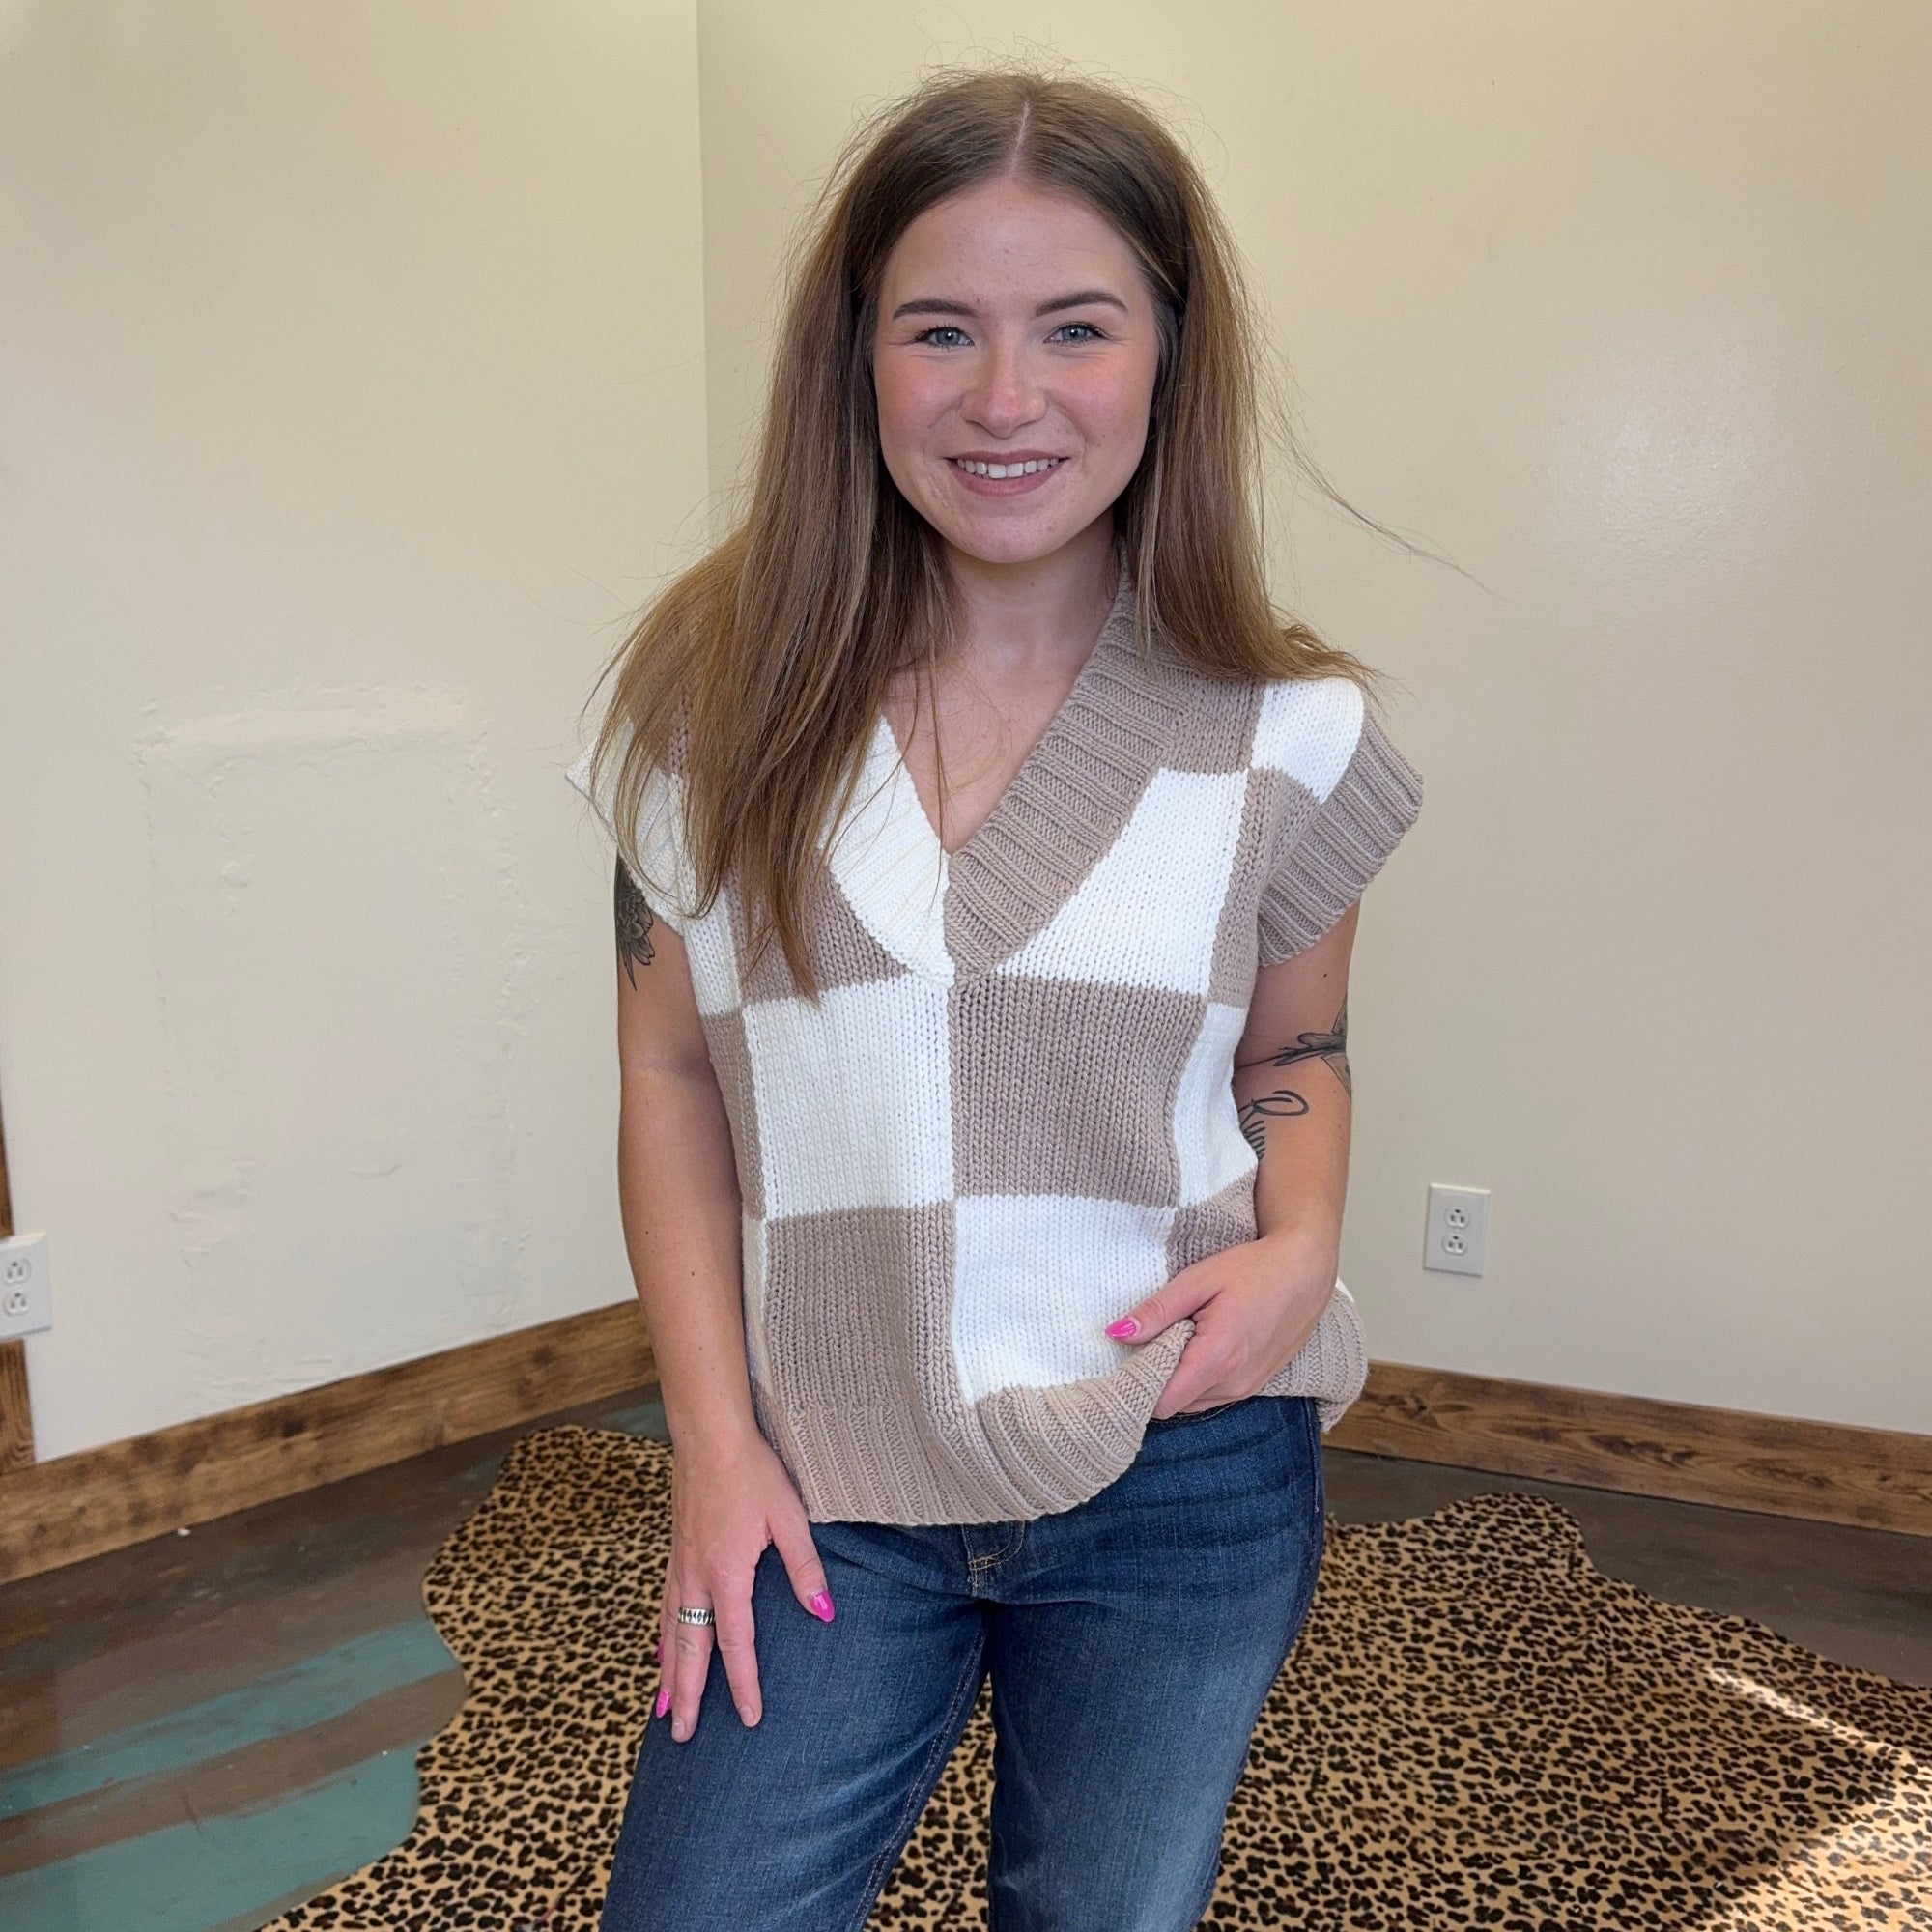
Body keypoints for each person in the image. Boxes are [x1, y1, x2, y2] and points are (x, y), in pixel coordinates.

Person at [569, 64, 1424, 1932]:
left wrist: (1301, 1248)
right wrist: (711, 1447)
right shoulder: (708, 712)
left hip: (1183, 1469)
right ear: (856, 358)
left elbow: (1296, 1048)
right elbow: (671, 1077)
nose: (1006, 397)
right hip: (819, 1471)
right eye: (940, 327)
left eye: (1077, 328)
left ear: (1170, 358)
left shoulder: (1289, 734)